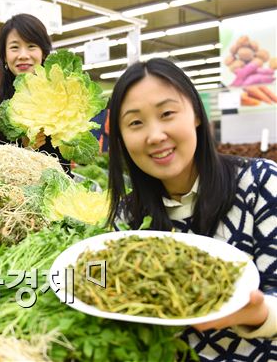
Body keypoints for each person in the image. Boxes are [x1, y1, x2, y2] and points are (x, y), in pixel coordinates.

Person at [106, 58, 277, 361]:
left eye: (167, 113)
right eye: (135, 122)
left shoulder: (261, 183)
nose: (155, 135)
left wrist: (260, 312)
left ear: (196, 114)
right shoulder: (126, 218)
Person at [0, 14, 72, 173]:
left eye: (31, 46)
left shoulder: (61, 101)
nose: (23, 55)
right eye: (14, 47)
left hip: (55, 191)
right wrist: (24, 147)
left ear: (44, 53)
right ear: (5, 57)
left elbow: (64, 163)